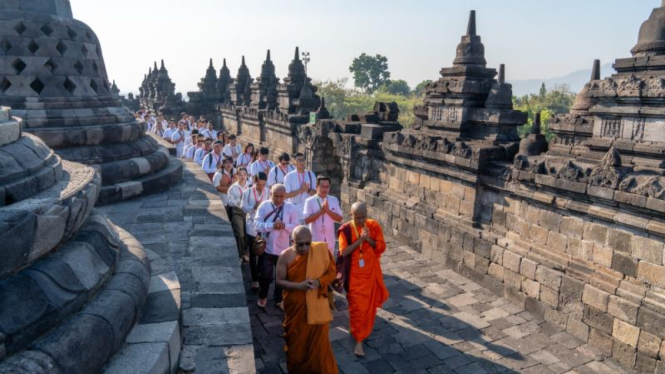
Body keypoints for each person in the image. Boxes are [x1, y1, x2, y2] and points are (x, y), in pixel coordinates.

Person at [276, 226, 338, 374]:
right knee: (297, 347)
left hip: (318, 309)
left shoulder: (320, 250)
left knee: (320, 349)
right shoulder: (285, 256)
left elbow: (332, 272)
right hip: (296, 310)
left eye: (307, 243)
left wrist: (320, 282)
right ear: (292, 241)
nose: (304, 247)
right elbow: (279, 281)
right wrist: (298, 286)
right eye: (300, 244)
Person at [338, 202, 389, 357]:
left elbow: (380, 247)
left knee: (368, 305)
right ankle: (359, 340)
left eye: (363, 217)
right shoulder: (345, 230)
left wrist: (368, 240)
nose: (361, 221)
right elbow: (344, 252)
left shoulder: (373, 226)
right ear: (351, 215)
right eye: (357, 218)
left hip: (370, 271)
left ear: (367, 214)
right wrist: (360, 240)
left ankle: (362, 329)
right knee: (357, 306)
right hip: (354, 274)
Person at [254, 184, 299, 310]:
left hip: (283, 249)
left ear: (285, 196)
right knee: (265, 276)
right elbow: (256, 224)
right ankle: (263, 296)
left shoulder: (291, 208)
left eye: (281, 197)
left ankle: (279, 299)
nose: (278, 199)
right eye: (275, 196)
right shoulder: (264, 206)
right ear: (271, 195)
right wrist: (272, 225)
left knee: (281, 277)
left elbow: (296, 227)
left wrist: (285, 226)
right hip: (267, 248)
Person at [242, 172, 269, 290]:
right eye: (259, 185)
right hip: (251, 225)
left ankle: (260, 275)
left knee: (263, 253)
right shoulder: (247, 192)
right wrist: (253, 207)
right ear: (254, 182)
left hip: (263, 226)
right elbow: (242, 207)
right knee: (253, 254)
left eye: (263, 185)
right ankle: (254, 279)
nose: (261, 187)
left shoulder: (267, 192)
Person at [304, 176, 343, 255]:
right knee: (317, 265)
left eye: (327, 187)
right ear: (317, 187)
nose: (325, 189)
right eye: (322, 186)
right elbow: (307, 220)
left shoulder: (333, 200)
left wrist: (328, 211)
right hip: (316, 240)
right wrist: (320, 212)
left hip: (329, 240)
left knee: (329, 265)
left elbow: (340, 218)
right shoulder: (309, 201)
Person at [284, 152, 316, 221]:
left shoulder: (311, 174)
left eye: (303, 160)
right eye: (299, 160)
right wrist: (301, 190)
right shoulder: (289, 176)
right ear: (294, 162)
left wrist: (307, 190)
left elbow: (316, 193)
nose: (302, 162)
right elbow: (287, 195)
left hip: (309, 211)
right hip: (294, 211)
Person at [228, 167, 250, 262]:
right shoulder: (233, 188)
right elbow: (230, 202)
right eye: (240, 175)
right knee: (240, 233)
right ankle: (240, 254)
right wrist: (241, 199)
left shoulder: (250, 186)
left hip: (248, 212)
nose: (242, 176)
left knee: (247, 234)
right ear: (236, 176)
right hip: (237, 212)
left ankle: (245, 252)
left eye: (244, 174)